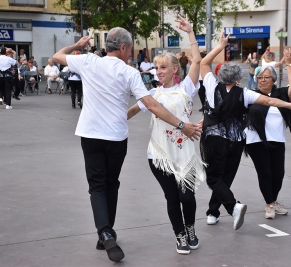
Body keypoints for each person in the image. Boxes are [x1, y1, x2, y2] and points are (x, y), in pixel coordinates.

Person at [53, 28, 201, 263]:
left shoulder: (88, 61)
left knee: (97, 187)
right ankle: (107, 231)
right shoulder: (129, 72)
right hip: (115, 137)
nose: (131, 52)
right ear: (123, 47)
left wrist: (77, 45)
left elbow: (57, 56)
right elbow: (151, 104)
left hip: (90, 135)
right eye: (131, 48)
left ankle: (105, 232)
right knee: (111, 184)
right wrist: (182, 124)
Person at [199, 32, 291, 230]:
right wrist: (290, 106)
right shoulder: (246, 93)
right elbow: (269, 101)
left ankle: (231, 207)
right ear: (239, 78)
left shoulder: (211, 86)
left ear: (221, 75)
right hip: (236, 142)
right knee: (226, 178)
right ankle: (213, 212)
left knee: (214, 178)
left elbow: (203, 63)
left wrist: (220, 47)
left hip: (215, 140)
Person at [127, 15, 205, 255]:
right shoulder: (152, 95)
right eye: (156, 67)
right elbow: (128, 113)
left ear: (174, 69)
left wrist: (190, 33)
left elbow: (198, 60)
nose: (158, 71)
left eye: (163, 67)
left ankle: (190, 229)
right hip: (159, 154)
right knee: (172, 198)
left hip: (185, 154)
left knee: (187, 197)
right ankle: (179, 235)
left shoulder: (187, 89)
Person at [245, 49, 291, 220]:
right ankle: (269, 204)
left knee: (278, 173)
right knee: (265, 173)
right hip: (256, 141)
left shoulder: (281, 94)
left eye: (266, 77)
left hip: (277, 139)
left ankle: (273, 200)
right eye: (260, 78)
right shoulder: (251, 95)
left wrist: (289, 64)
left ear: (273, 80)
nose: (262, 81)